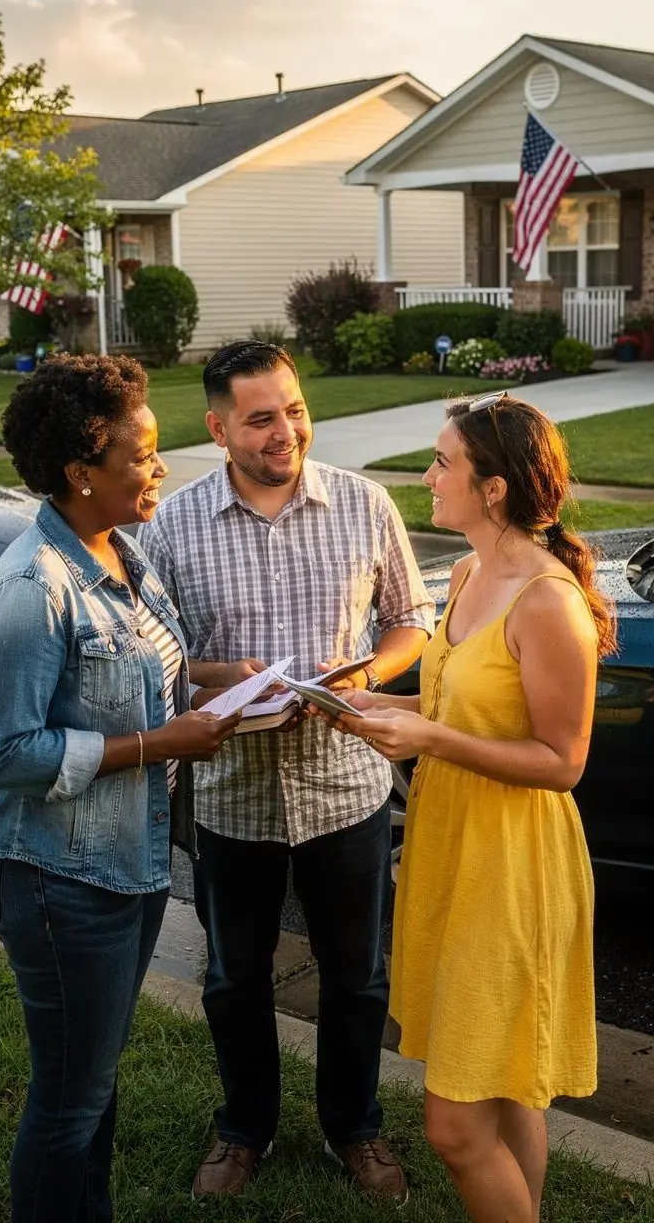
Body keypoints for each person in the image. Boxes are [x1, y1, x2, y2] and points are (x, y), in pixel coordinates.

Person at [141, 341, 433, 1203]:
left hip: (346, 785)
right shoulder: (170, 523)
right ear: (219, 426)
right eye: (262, 418)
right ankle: (243, 1130)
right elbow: (156, 653)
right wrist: (216, 677)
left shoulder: (363, 502)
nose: (286, 431)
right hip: (234, 794)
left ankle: (357, 1128)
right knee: (234, 976)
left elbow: (410, 619)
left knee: (357, 975)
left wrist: (366, 678)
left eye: (294, 409)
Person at [322, 392, 616, 1223]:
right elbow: (455, 706)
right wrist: (374, 705)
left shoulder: (547, 602)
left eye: (444, 461)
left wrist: (431, 742)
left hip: (515, 864)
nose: (428, 476)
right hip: (454, 847)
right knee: (509, 1087)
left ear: (493, 489)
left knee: (455, 1126)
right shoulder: (464, 572)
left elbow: (563, 763)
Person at [0, 354, 240, 1223]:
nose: (162, 469)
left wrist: (234, 687)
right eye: (144, 457)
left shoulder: (120, 551)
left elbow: (138, 671)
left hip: (126, 859)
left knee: (93, 1079)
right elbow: (7, 753)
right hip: (53, 875)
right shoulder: (28, 590)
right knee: (70, 1096)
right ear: (82, 472)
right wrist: (162, 742)